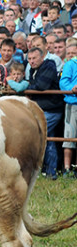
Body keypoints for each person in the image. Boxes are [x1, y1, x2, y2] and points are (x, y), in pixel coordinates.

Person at [27, 47, 62, 179]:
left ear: (42, 57)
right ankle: (50, 172)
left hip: (52, 109)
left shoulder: (49, 66)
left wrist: (26, 88)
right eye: (29, 59)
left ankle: (38, 170)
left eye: (34, 58)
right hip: (43, 108)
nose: (32, 61)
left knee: (38, 134)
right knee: (49, 139)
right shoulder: (33, 70)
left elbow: (41, 86)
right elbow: (34, 85)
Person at [59, 45, 77, 176]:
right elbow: (63, 83)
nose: (71, 54)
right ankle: (67, 168)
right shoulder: (70, 64)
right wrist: (73, 88)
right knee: (69, 135)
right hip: (73, 104)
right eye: (69, 52)